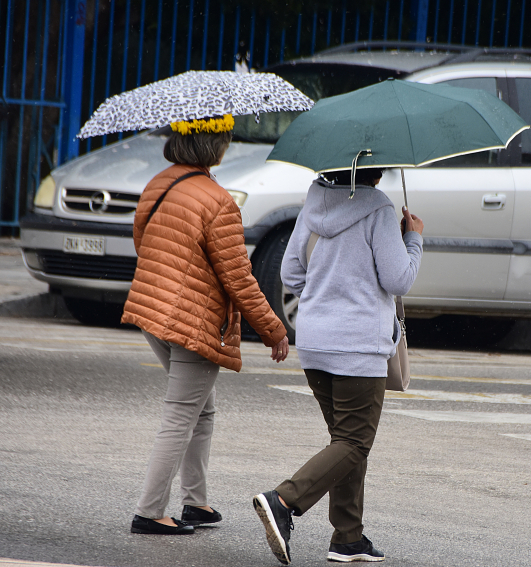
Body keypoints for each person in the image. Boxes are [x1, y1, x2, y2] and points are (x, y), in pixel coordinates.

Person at [122, 115, 290, 535]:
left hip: (152, 309)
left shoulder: (159, 184)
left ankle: (195, 502)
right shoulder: (218, 201)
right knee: (181, 413)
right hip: (192, 319)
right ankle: (150, 510)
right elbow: (238, 278)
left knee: (201, 409)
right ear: (214, 147)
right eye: (226, 138)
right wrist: (273, 328)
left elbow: (143, 242)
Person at [253, 167, 424, 563]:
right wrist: (413, 240)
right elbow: (399, 279)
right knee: (355, 441)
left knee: (344, 442)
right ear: (377, 171)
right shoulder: (379, 209)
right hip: (358, 347)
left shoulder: (314, 203)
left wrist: (327, 293)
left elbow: (290, 273)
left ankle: (348, 537)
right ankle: (283, 500)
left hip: (314, 343)